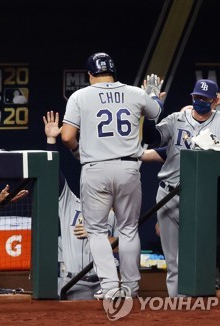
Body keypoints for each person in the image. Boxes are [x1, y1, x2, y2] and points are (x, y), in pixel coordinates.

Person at [61, 52, 162, 299]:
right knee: (128, 229)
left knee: (95, 231)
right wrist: (152, 96)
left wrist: (76, 151)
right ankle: (130, 288)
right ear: (113, 71)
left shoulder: (80, 96)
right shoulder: (134, 93)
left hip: (96, 168)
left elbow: (66, 136)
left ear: (90, 74)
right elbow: (155, 113)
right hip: (128, 167)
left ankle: (109, 288)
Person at [142, 79, 220, 297]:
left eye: (204, 99)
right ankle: (177, 309)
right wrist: (150, 108)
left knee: (202, 258)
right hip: (168, 193)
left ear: (214, 101)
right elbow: (151, 137)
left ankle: (201, 311)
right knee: (173, 262)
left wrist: (218, 146)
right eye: (196, 97)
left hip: (200, 197)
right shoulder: (177, 118)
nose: (199, 102)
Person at [44, 111, 119, 300]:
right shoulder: (70, 203)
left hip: (106, 282)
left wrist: (98, 236)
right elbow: (51, 173)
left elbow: (126, 246)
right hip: (75, 282)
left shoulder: (113, 212)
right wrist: (51, 141)